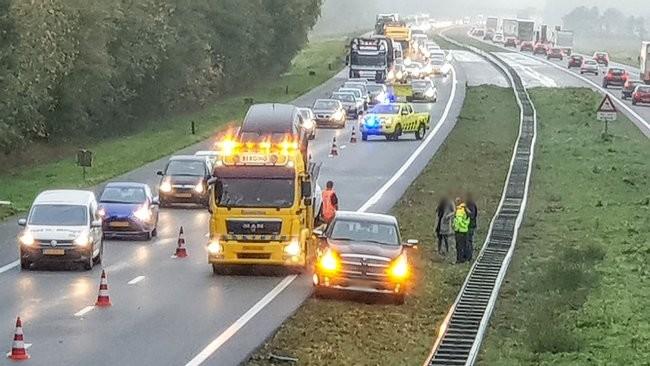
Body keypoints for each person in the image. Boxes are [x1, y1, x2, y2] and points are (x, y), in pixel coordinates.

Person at [453, 197, 470, 264]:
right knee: (464, 245)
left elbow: (458, 221)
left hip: (459, 230)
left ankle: (459, 259)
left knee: (459, 246)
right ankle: (466, 258)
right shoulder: (465, 209)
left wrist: (455, 227)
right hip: (465, 229)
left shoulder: (459, 210)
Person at [465, 192, 478, 262]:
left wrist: (466, 210)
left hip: (470, 225)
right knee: (468, 241)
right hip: (468, 225)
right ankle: (468, 256)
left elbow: (472, 215)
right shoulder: (470, 204)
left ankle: (469, 257)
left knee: (469, 241)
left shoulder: (471, 204)